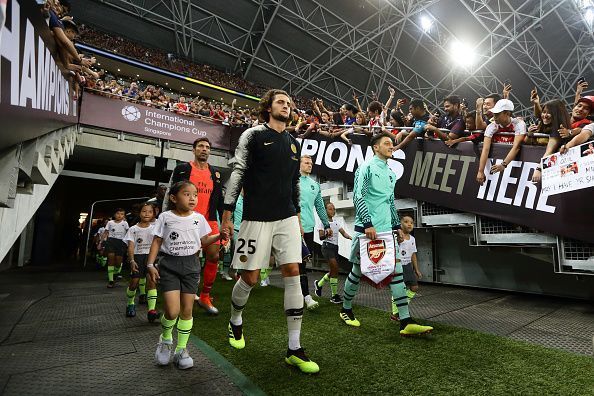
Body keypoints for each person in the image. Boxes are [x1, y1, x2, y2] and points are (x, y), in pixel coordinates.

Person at [221, 89, 320, 374]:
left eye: (289, 103)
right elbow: (238, 172)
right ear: (268, 107)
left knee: (293, 272)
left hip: (287, 217)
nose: (286, 106)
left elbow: (294, 185)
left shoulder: (293, 143)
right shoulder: (252, 135)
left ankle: (294, 348)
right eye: (281, 102)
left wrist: (298, 218)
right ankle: (236, 320)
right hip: (255, 218)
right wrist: (227, 215)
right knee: (249, 278)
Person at [340, 132, 433, 336]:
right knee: (357, 272)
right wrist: (367, 224)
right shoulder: (365, 168)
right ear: (376, 147)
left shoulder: (391, 172)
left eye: (392, 143)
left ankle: (405, 320)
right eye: (387, 143)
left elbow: (390, 202)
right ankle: (346, 309)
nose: (392, 146)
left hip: (386, 232)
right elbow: (358, 196)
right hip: (366, 231)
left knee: (397, 273)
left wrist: (396, 226)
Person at [148, 181, 222, 370]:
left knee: (187, 311)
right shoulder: (165, 217)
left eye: (195, 195)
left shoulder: (198, 218)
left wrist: (219, 235)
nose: (193, 198)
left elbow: (204, 240)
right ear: (173, 198)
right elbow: (157, 241)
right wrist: (150, 264)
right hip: (169, 265)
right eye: (187, 194)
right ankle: (165, 340)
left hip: (191, 265)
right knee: (172, 311)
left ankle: (181, 350)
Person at [169, 137, 224, 315]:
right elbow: (171, 193)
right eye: (200, 146)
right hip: (186, 219)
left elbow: (220, 200)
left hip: (209, 221)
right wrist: (168, 217)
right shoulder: (183, 169)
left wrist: (224, 221)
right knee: (187, 259)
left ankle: (205, 296)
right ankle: (183, 294)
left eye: (207, 147)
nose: (204, 149)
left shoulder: (215, 173)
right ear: (194, 150)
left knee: (214, 256)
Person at [299, 155, 331, 310]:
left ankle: (301, 294)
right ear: (299, 164)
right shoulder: (292, 180)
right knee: (298, 264)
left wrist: (326, 224)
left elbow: (319, 206)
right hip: (294, 227)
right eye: (306, 163)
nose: (309, 165)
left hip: (309, 228)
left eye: (311, 163)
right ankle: (306, 296)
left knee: (302, 263)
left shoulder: (315, 185)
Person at [476, 99, 526, 185]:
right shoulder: (491, 126)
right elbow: (485, 149)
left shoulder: (519, 124)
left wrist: (503, 165)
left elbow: (516, 147)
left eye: (498, 114)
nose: (494, 117)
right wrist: (480, 171)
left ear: (507, 113)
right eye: (494, 114)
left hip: (515, 167)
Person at [123, 203, 159, 322]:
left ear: (154, 214)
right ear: (139, 213)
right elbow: (131, 246)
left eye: (150, 212)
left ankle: (151, 310)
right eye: (144, 211)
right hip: (138, 258)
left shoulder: (155, 228)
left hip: (151, 258)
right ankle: (130, 304)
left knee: (152, 281)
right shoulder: (133, 229)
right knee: (134, 283)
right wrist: (132, 260)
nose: (147, 214)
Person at [314, 202, 352, 303]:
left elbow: (343, 233)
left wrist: (351, 238)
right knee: (335, 268)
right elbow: (321, 237)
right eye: (330, 209)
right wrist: (327, 234)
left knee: (333, 271)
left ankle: (319, 284)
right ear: (325, 211)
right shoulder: (322, 222)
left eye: (334, 209)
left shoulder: (336, 222)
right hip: (327, 247)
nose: (333, 211)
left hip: (335, 248)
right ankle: (334, 296)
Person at [390, 214, 422, 321]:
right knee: (399, 290)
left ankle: (401, 307)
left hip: (408, 266)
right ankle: (395, 313)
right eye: (406, 222)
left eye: (412, 223)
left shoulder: (412, 239)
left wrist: (416, 269)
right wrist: (398, 240)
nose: (409, 224)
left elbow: (413, 254)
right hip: (399, 265)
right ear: (400, 224)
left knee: (414, 287)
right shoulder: (396, 236)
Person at [102, 209, 129, 288]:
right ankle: (111, 280)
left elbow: (128, 232)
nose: (119, 215)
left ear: (124, 216)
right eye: (118, 213)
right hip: (111, 241)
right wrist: (101, 243)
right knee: (110, 259)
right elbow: (106, 232)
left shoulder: (125, 223)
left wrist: (128, 243)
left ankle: (116, 272)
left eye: (122, 214)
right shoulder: (110, 222)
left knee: (118, 262)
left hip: (121, 242)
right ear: (114, 214)